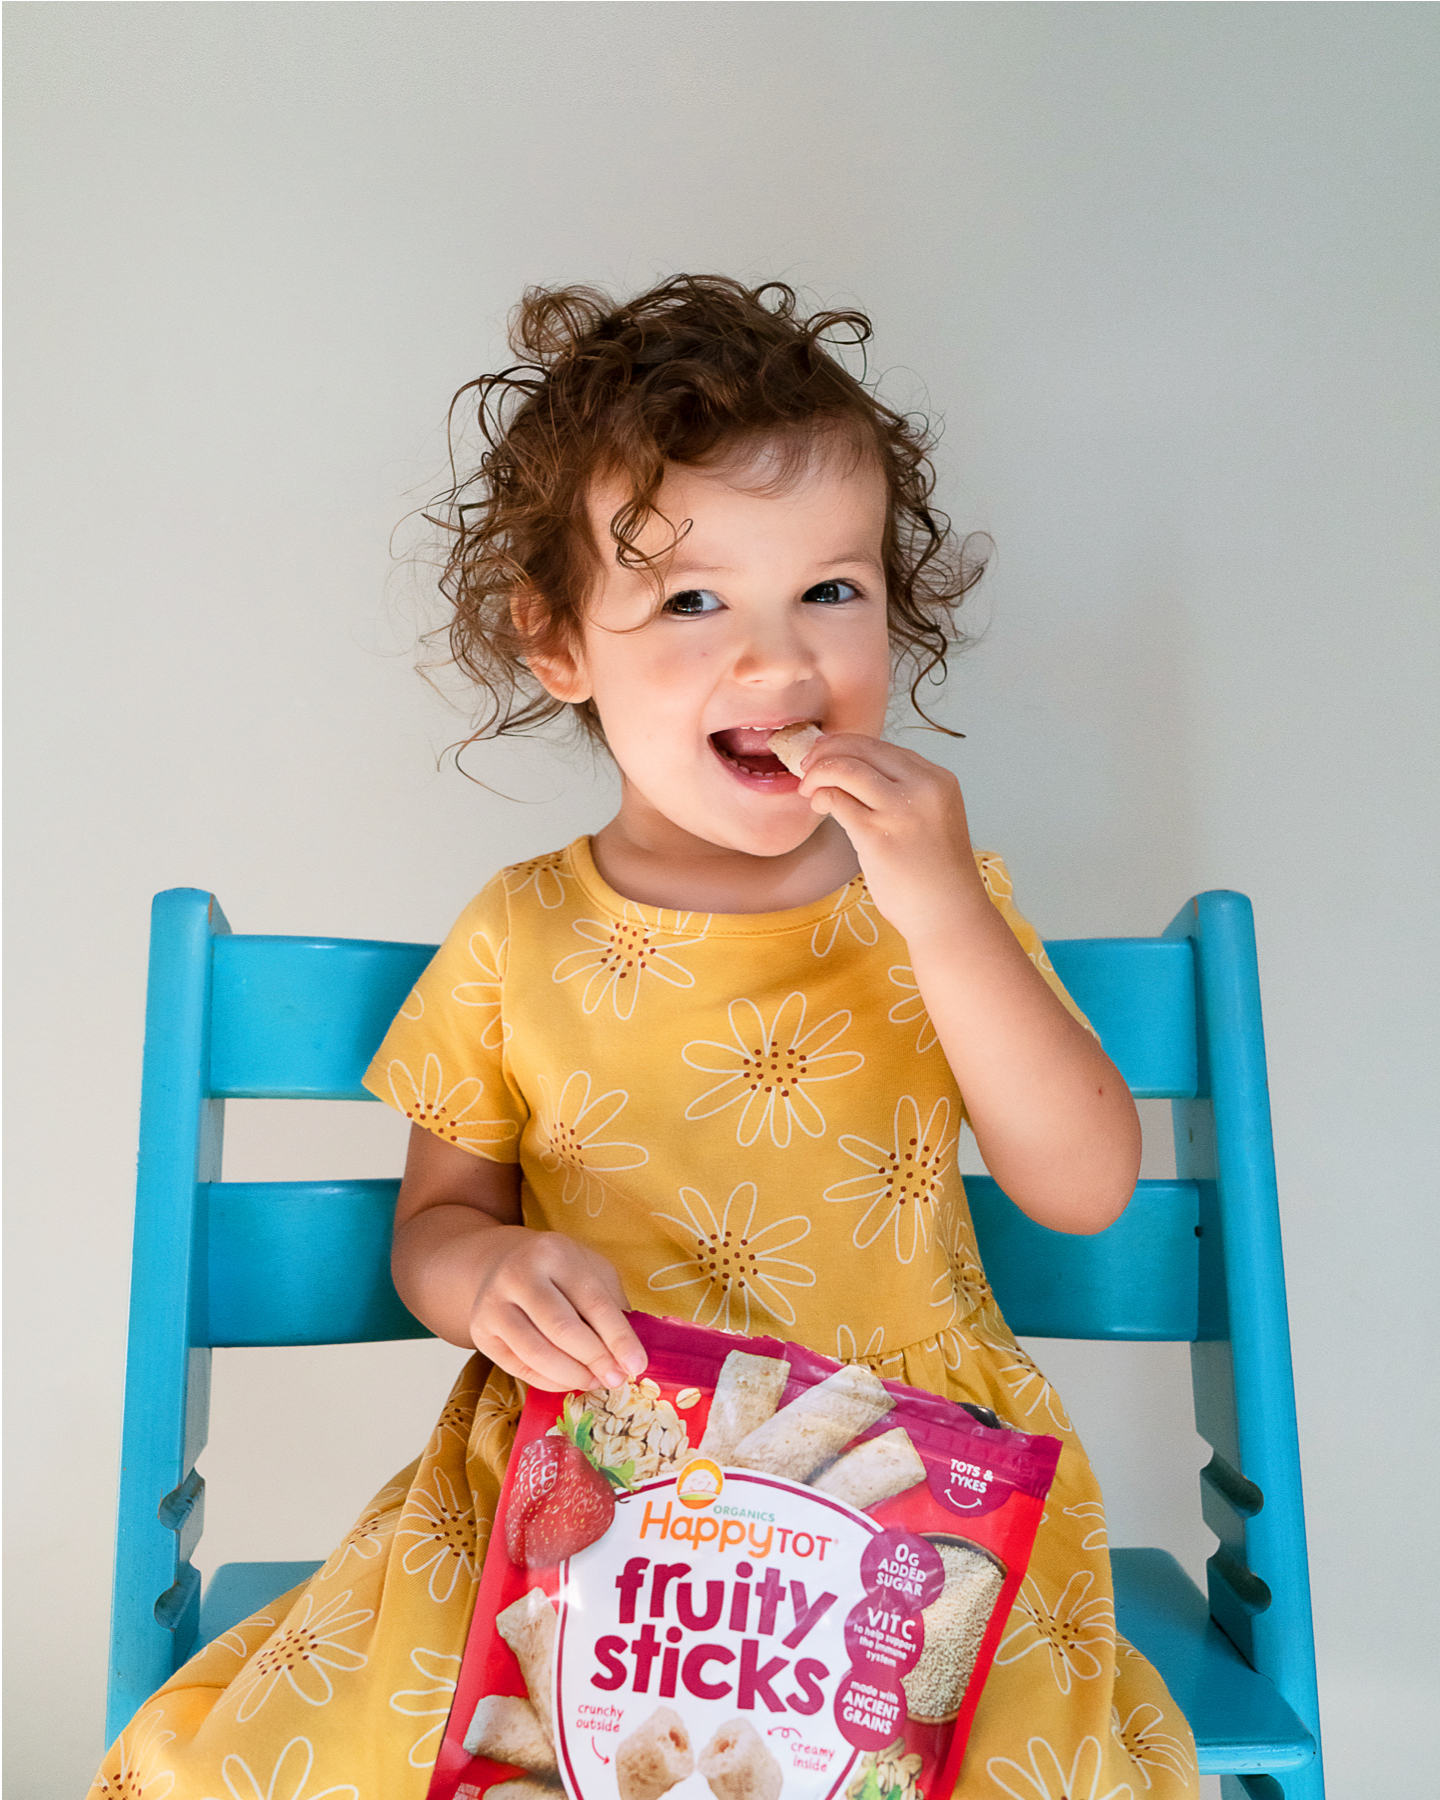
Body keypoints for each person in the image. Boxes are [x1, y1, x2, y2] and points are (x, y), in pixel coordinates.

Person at [92, 276, 1198, 1800]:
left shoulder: (940, 902)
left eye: (833, 590)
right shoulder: (518, 933)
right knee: (395, 1751)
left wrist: (942, 906)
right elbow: (438, 1222)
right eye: (692, 601)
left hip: (908, 1502)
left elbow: (1082, 1186)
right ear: (556, 645)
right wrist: (484, 1275)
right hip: (589, 1488)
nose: (774, 655)